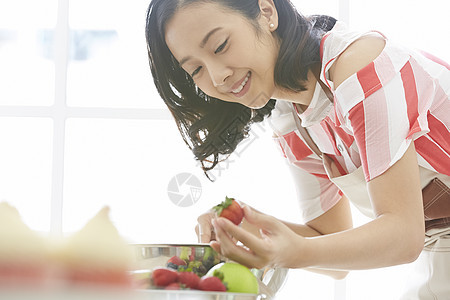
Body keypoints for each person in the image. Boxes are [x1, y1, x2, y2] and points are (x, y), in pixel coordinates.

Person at [145, 0, 450, 298]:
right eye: (196, 69)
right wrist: (250, 226)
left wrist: (293, 253)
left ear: (266, 11)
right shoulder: (290, 119)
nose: (217, 76)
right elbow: (327, 243)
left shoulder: (359, 66)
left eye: (220, 45)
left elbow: (403, 236)